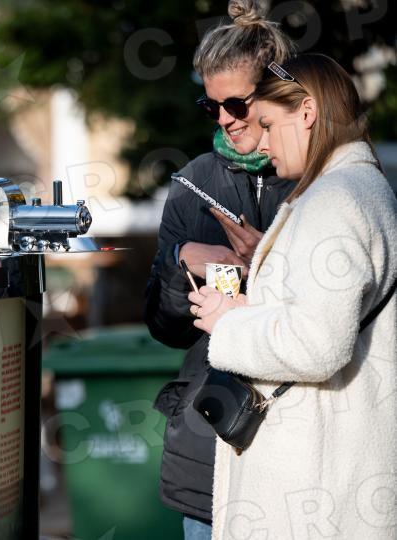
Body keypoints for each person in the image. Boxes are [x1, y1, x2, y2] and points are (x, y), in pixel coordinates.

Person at [190, 54, 397, 539]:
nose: (261, 143)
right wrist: (248, 311)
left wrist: (228, 323)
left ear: (307, 112)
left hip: (311, 484)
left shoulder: (335, 201)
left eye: (267, 124)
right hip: (339, 465)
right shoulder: (366, 189)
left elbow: (318, 344)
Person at [143, 1, 295, 537]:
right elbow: (164, 329)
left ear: (277, 91)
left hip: (300, 441)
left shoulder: (320, 178)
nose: (225, 119)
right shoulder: (192, 185)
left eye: (236, 103)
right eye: (211, 106)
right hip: (212, 441)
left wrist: (263, 265)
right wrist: (179, 262)